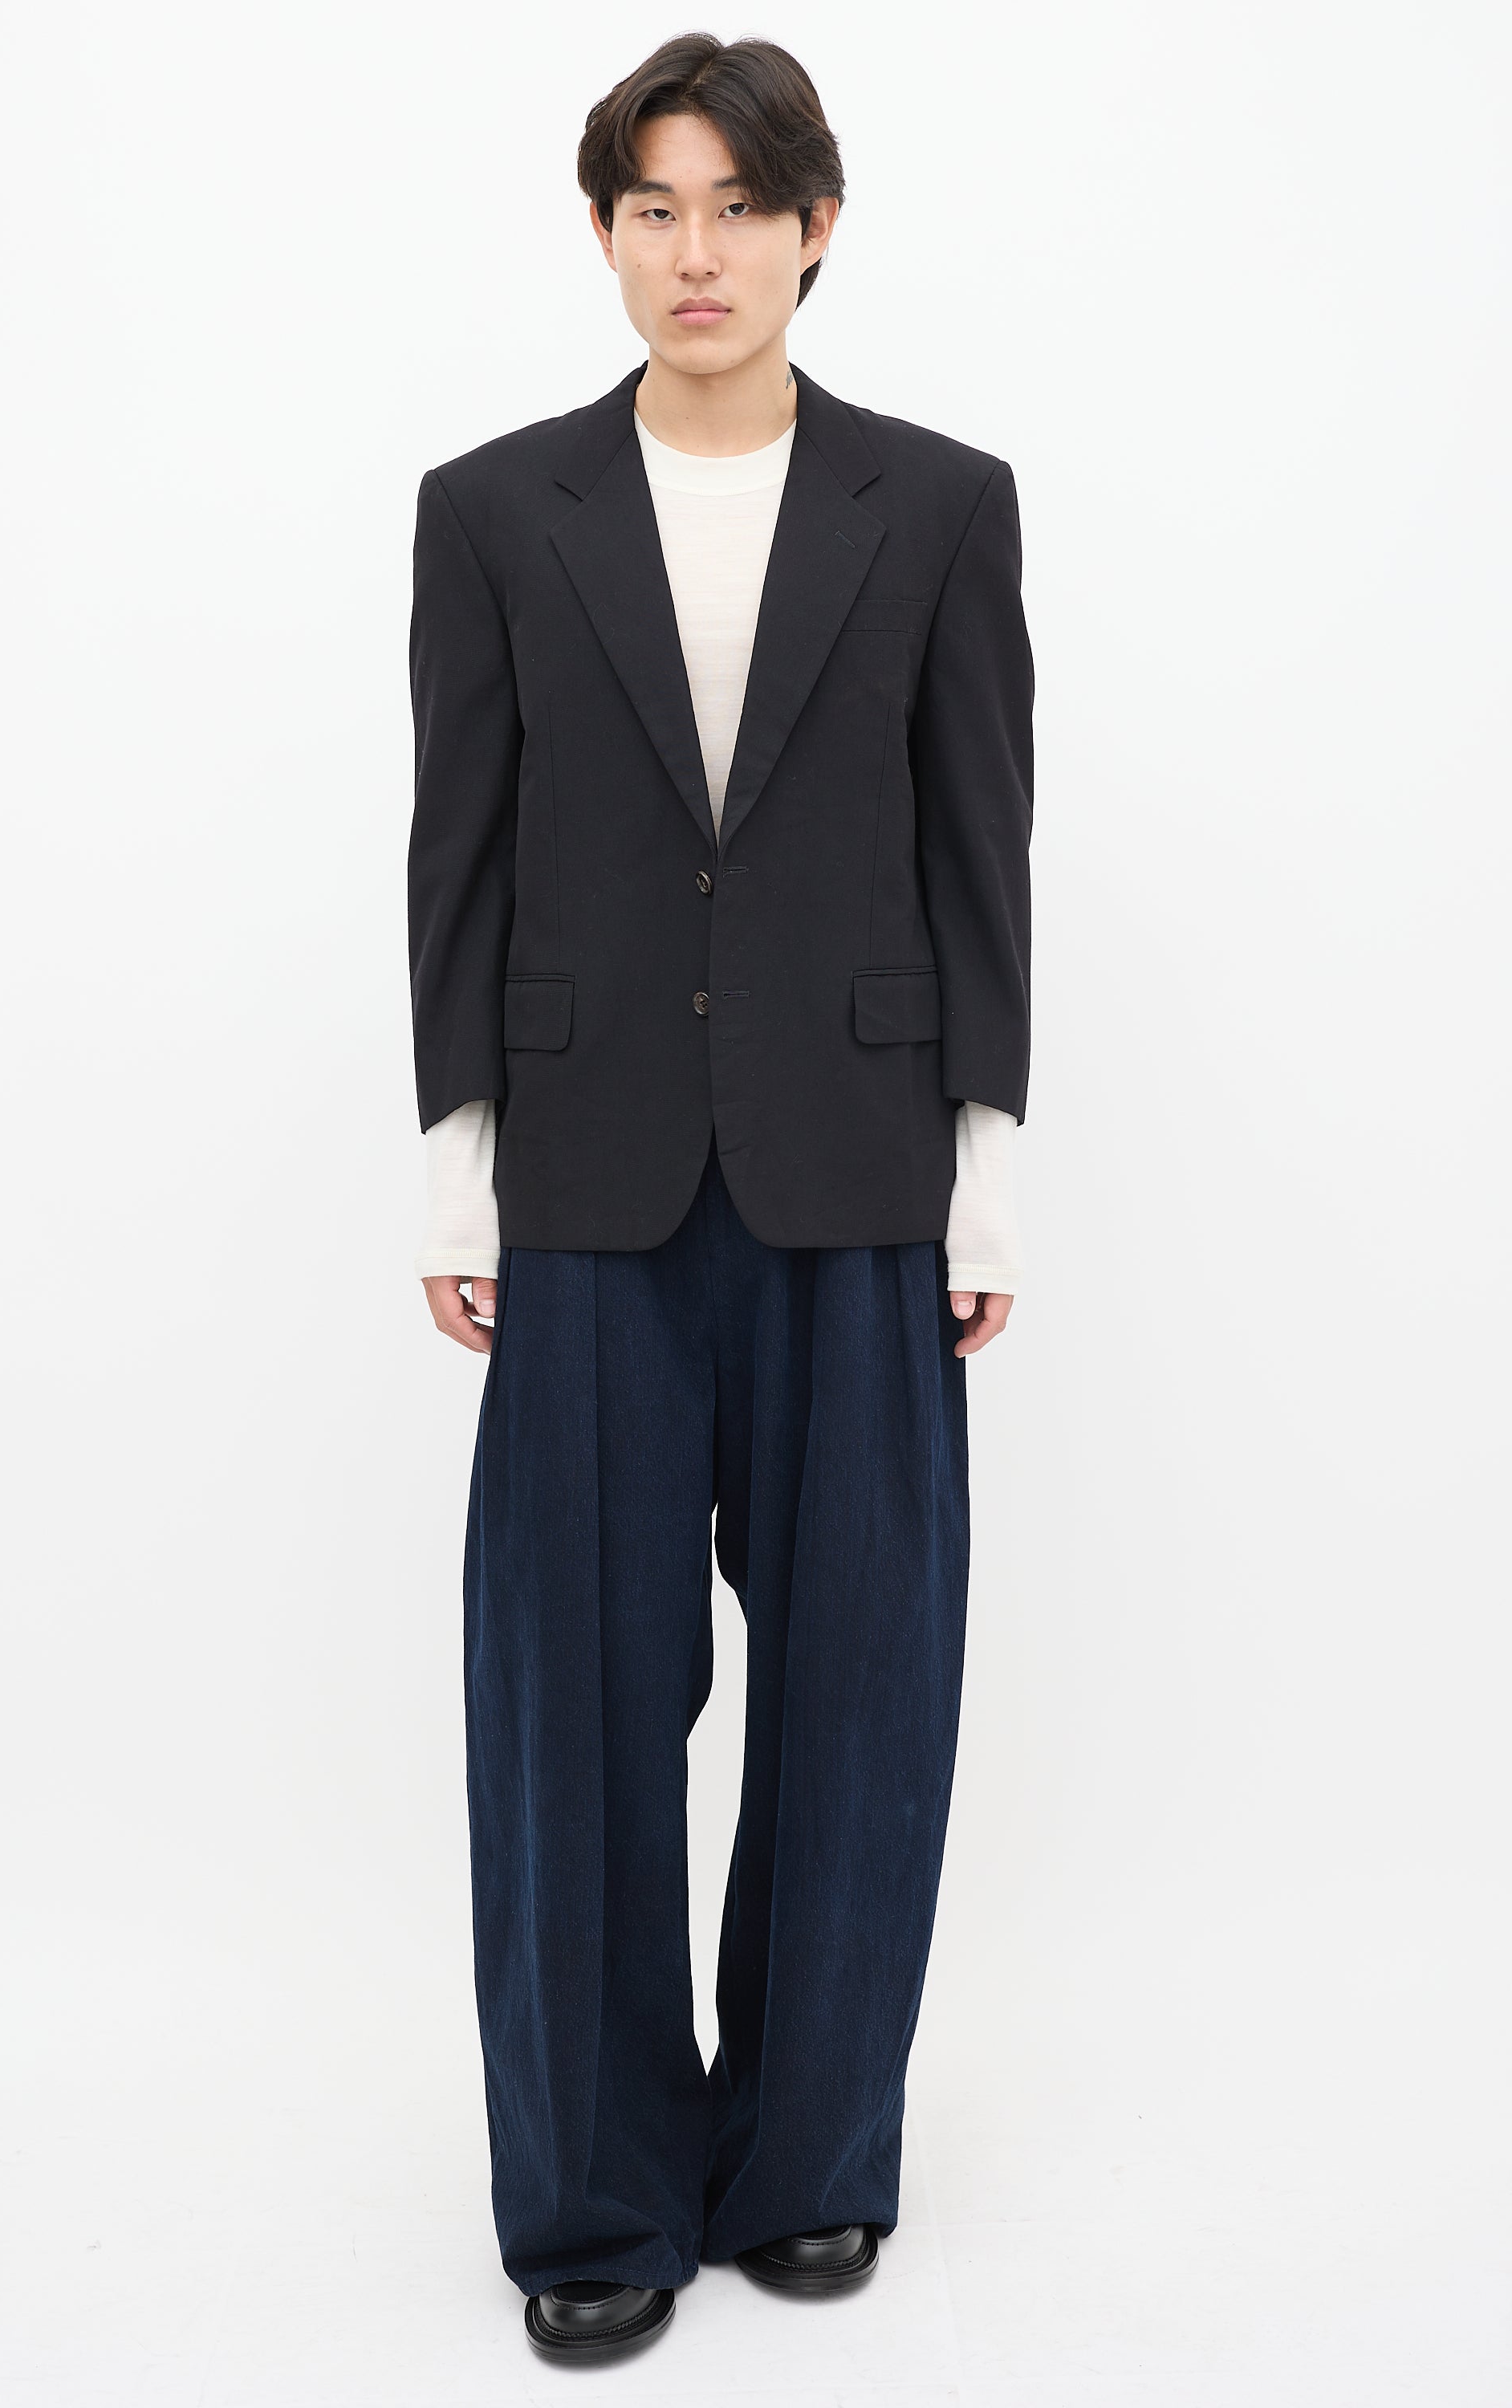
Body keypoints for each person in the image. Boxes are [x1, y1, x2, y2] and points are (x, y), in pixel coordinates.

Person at [407, 33, 1032, 2364]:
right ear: (606, 236)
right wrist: (458, 1172)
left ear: (814, 230)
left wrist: (987, 1181)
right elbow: (458, 858)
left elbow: (981, 855)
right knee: (570, 1694)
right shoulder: (495, 509)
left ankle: (809, 2158)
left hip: (859, 1176)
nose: (699, 251)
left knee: (865, 1683)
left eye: (741, 207)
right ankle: (592, 2193)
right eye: (655, 208)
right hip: (583, 1187)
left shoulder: (938, 504)